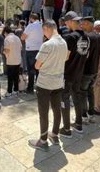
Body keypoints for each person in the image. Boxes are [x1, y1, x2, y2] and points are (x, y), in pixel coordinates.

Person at [28, 21, 68, 151]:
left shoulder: (47, 45)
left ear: (47, 28)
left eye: (43, 31)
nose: (43, 34)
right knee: (57, 109)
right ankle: (54, 134)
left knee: (43, 112)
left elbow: (37, 65)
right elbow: (65, 59)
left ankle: (43, 140)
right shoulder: (64, 42)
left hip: (45, 84)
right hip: (58, 82)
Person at [59, 12, 89, 137]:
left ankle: (66, 129)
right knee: (76, 97)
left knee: (64, 99)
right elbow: (85, 55)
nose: (65, 25)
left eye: (66, 22)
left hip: (68, 73)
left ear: (71, 21)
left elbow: (65, 58)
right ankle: (78, 124)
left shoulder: (70, 37)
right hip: (79, 73)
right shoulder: (86, 37)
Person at [80, 16, 100, 124]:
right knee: (90, 92)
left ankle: (83, 116)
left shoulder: (87, 37)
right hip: (95, 70)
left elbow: (85, 55)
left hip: (86, 70)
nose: (82, 25)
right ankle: (91, 115)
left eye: (83, 23)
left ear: (89, 24)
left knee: (83, 93)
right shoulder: (99, 37)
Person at [21, 13, 43, 93]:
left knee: (31, 70)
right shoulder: (42, 25)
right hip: (40, 49)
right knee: (38, 70)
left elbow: (23, 37)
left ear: (31, 18)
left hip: (30, 50)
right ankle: (39, 88)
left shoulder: (30, 26)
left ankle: (30, 88)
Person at [3, 26, 22, 97]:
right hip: (18, 60)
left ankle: (9, 91)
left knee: (10, 77)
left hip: (11, 60)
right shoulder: (17, 38)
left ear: (5, 32)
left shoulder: (7, 39)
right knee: (16, 76)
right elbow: (20, 48)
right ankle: (16, 90)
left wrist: (4, 53)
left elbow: (7, 50)